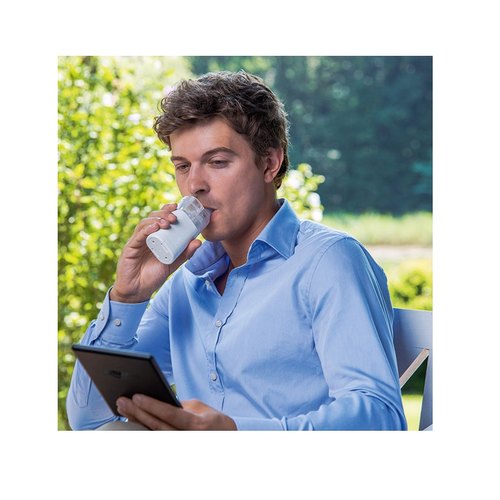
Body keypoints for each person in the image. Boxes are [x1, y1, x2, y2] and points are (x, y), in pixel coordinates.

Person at [66, 70, 407, 431]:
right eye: (183, 166)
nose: (194, 185)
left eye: (217, 162)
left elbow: (380, 419)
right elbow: (90, 419)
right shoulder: (186, 283)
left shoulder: (329, 262)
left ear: (269, 163)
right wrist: (127, 297)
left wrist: (234, 434)